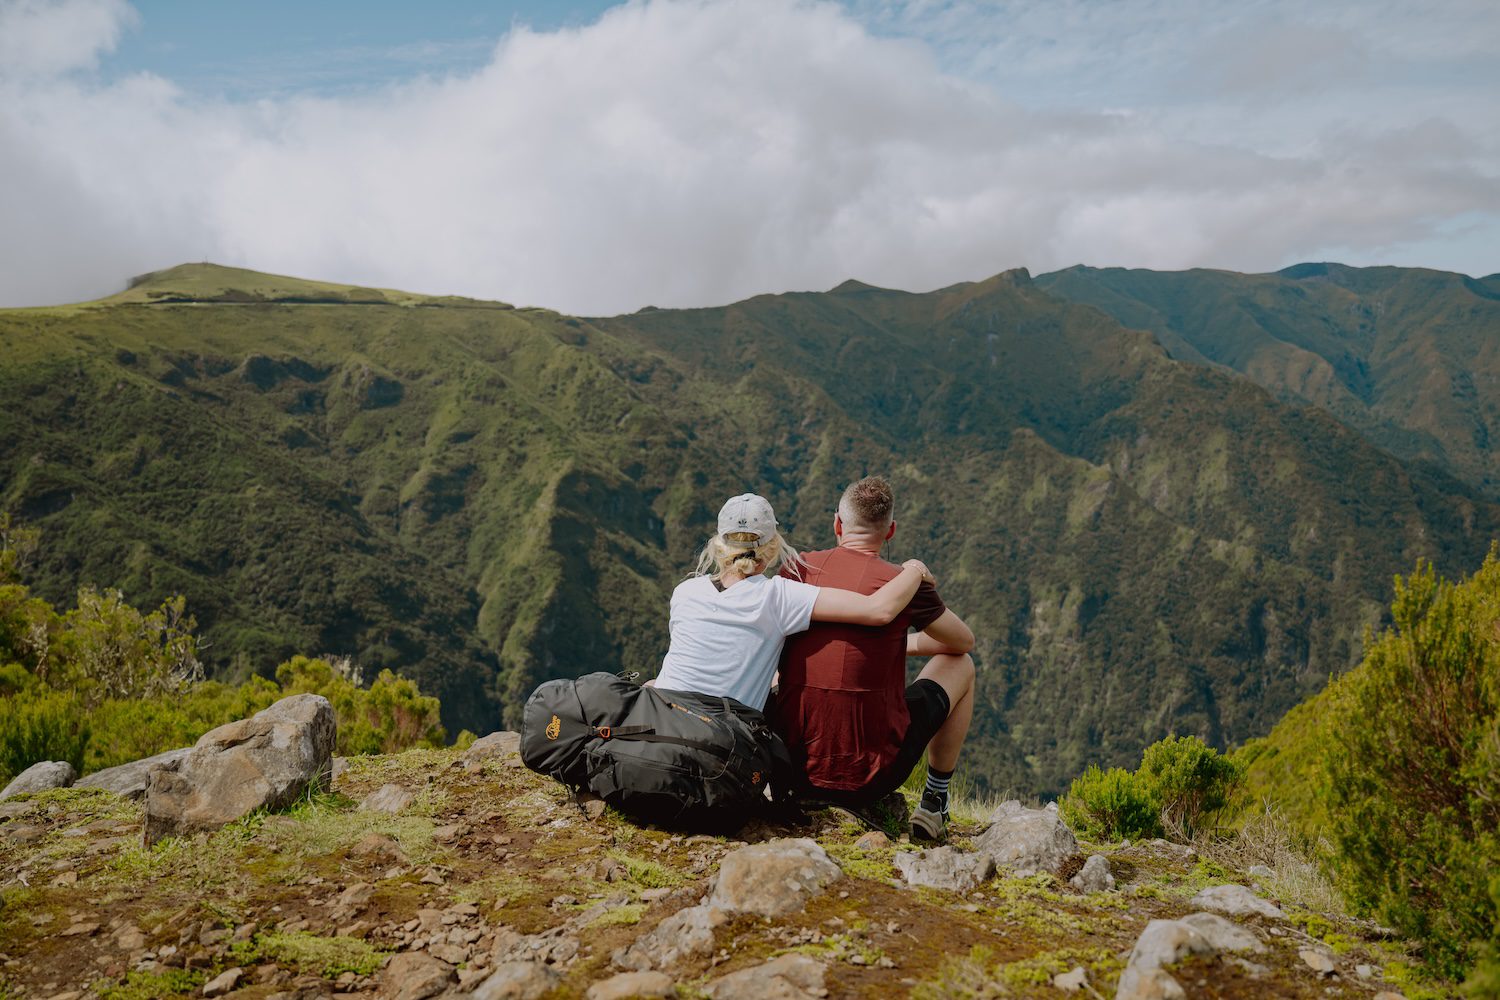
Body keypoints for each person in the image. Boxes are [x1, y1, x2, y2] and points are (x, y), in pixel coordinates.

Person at [773, 475, 976, 841]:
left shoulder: (797, 570)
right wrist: (906, 639)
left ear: (837, 523)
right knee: (962, 666)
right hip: (871, 776)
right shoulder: (904, 584)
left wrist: (900, 644)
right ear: (891, 531)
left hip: (793, 766)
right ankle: (935, 801)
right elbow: (962, 643)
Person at [651, 493, 935, 713]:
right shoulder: (779, 597)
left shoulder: (685, 591)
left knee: (653, 684)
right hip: (723, 747)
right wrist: (914, 569)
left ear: (718, 544)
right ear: (773, 546)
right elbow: (879, 609)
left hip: (665, 727)